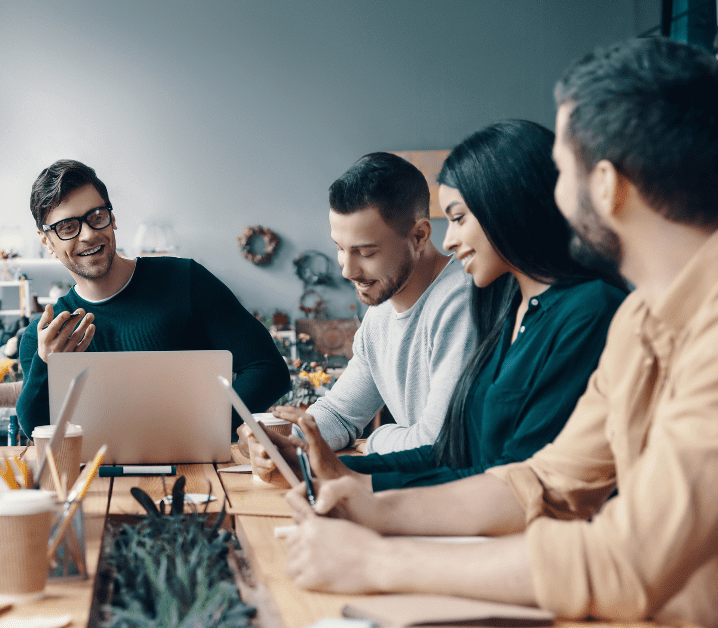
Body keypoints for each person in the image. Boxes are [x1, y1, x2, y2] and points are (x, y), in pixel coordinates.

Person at [281, 38, 718, 625]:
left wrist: (381, 561)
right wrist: (372, 511)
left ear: (607, 186)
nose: (553, 195)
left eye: (562, 171)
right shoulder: (642, 319)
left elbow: (626, 561)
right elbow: (544, 481)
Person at [248, 120, 627, 490]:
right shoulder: (513, 309)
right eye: (339, 249)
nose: (347, 269)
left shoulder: (517, 304)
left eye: (458, 218)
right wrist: (306, 455)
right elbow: (467, 458)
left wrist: (370, 457)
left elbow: (488, 470)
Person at [14, 159, 289, 437]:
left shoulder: (186, 280)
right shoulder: (47, 337)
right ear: (47, 241)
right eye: (68, 227)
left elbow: (268, 369)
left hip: (197, 472)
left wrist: (202, 428)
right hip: (99, 477)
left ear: (113, 218)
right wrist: (45, 362)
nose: (88, 234)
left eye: (97, 216)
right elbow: (35, 428)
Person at [241, 152, 476, 461]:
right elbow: (340, 412)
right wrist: (284, 441)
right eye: (340, 248)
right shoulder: (379, 312)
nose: (347, 271)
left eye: (365, 252)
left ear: (419, 236)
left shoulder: (461, 303)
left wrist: (375, 442)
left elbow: (440, 444)